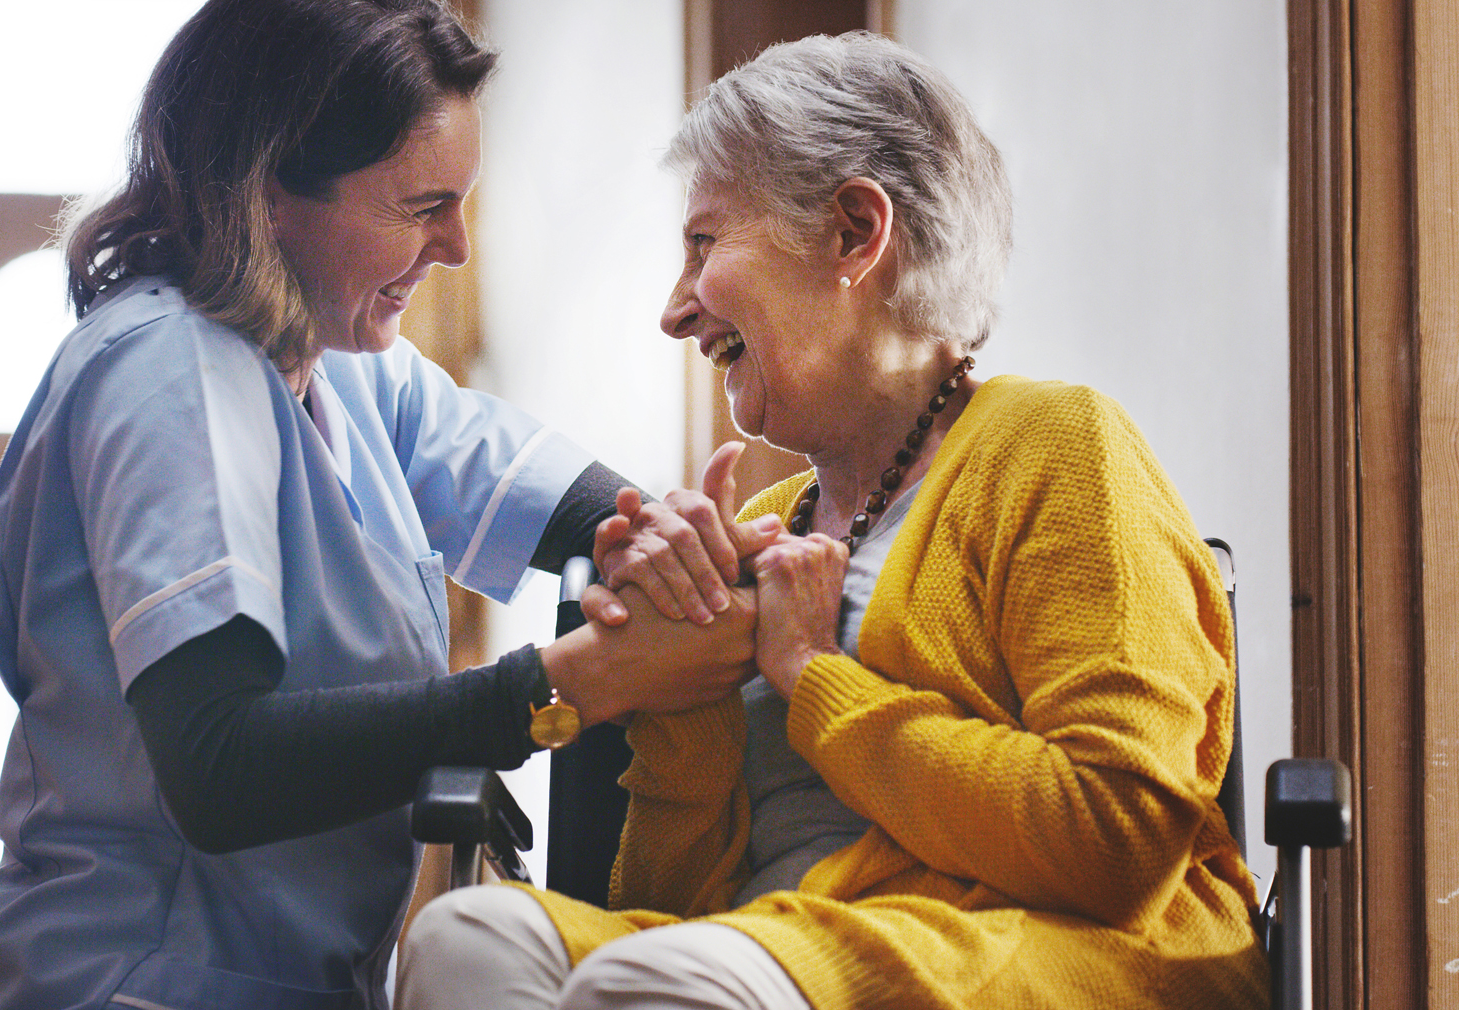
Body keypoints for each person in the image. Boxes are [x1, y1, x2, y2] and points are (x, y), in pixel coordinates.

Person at [398, 31, 1268, 1009]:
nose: (675, 312)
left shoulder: (1059, 446)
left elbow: (1121, 838)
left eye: (703, 245)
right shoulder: (769, 523)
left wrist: (816, 678)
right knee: (467, 938)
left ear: (856, 231)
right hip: (765, 950)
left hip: (1038, 955)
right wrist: (687, 697)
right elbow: (666, 902)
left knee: (658, 981)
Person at [0, 3, 768, 1008]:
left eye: (462, 204)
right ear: (270, 188)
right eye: (420, 208)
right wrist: (564, 687)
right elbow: (219, 764)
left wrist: (672, 539)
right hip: (130, 980)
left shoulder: (337, 363)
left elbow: (534, 484)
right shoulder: (170, 376)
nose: (456, 246)